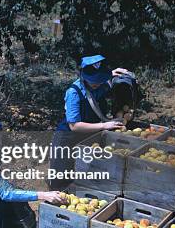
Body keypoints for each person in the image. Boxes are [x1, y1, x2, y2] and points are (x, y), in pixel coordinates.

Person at [49, 54, 131, 190]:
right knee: (62, 180)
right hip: (67, 139)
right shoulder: (74, 93)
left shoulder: (99, 84)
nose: (97, 83)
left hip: (88, 137)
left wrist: (111, 73)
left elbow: (105, 80)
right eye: (94, 80)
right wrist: (105, 125)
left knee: (87, 175)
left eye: (100, 79)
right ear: (84, 77)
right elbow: (74, 126)